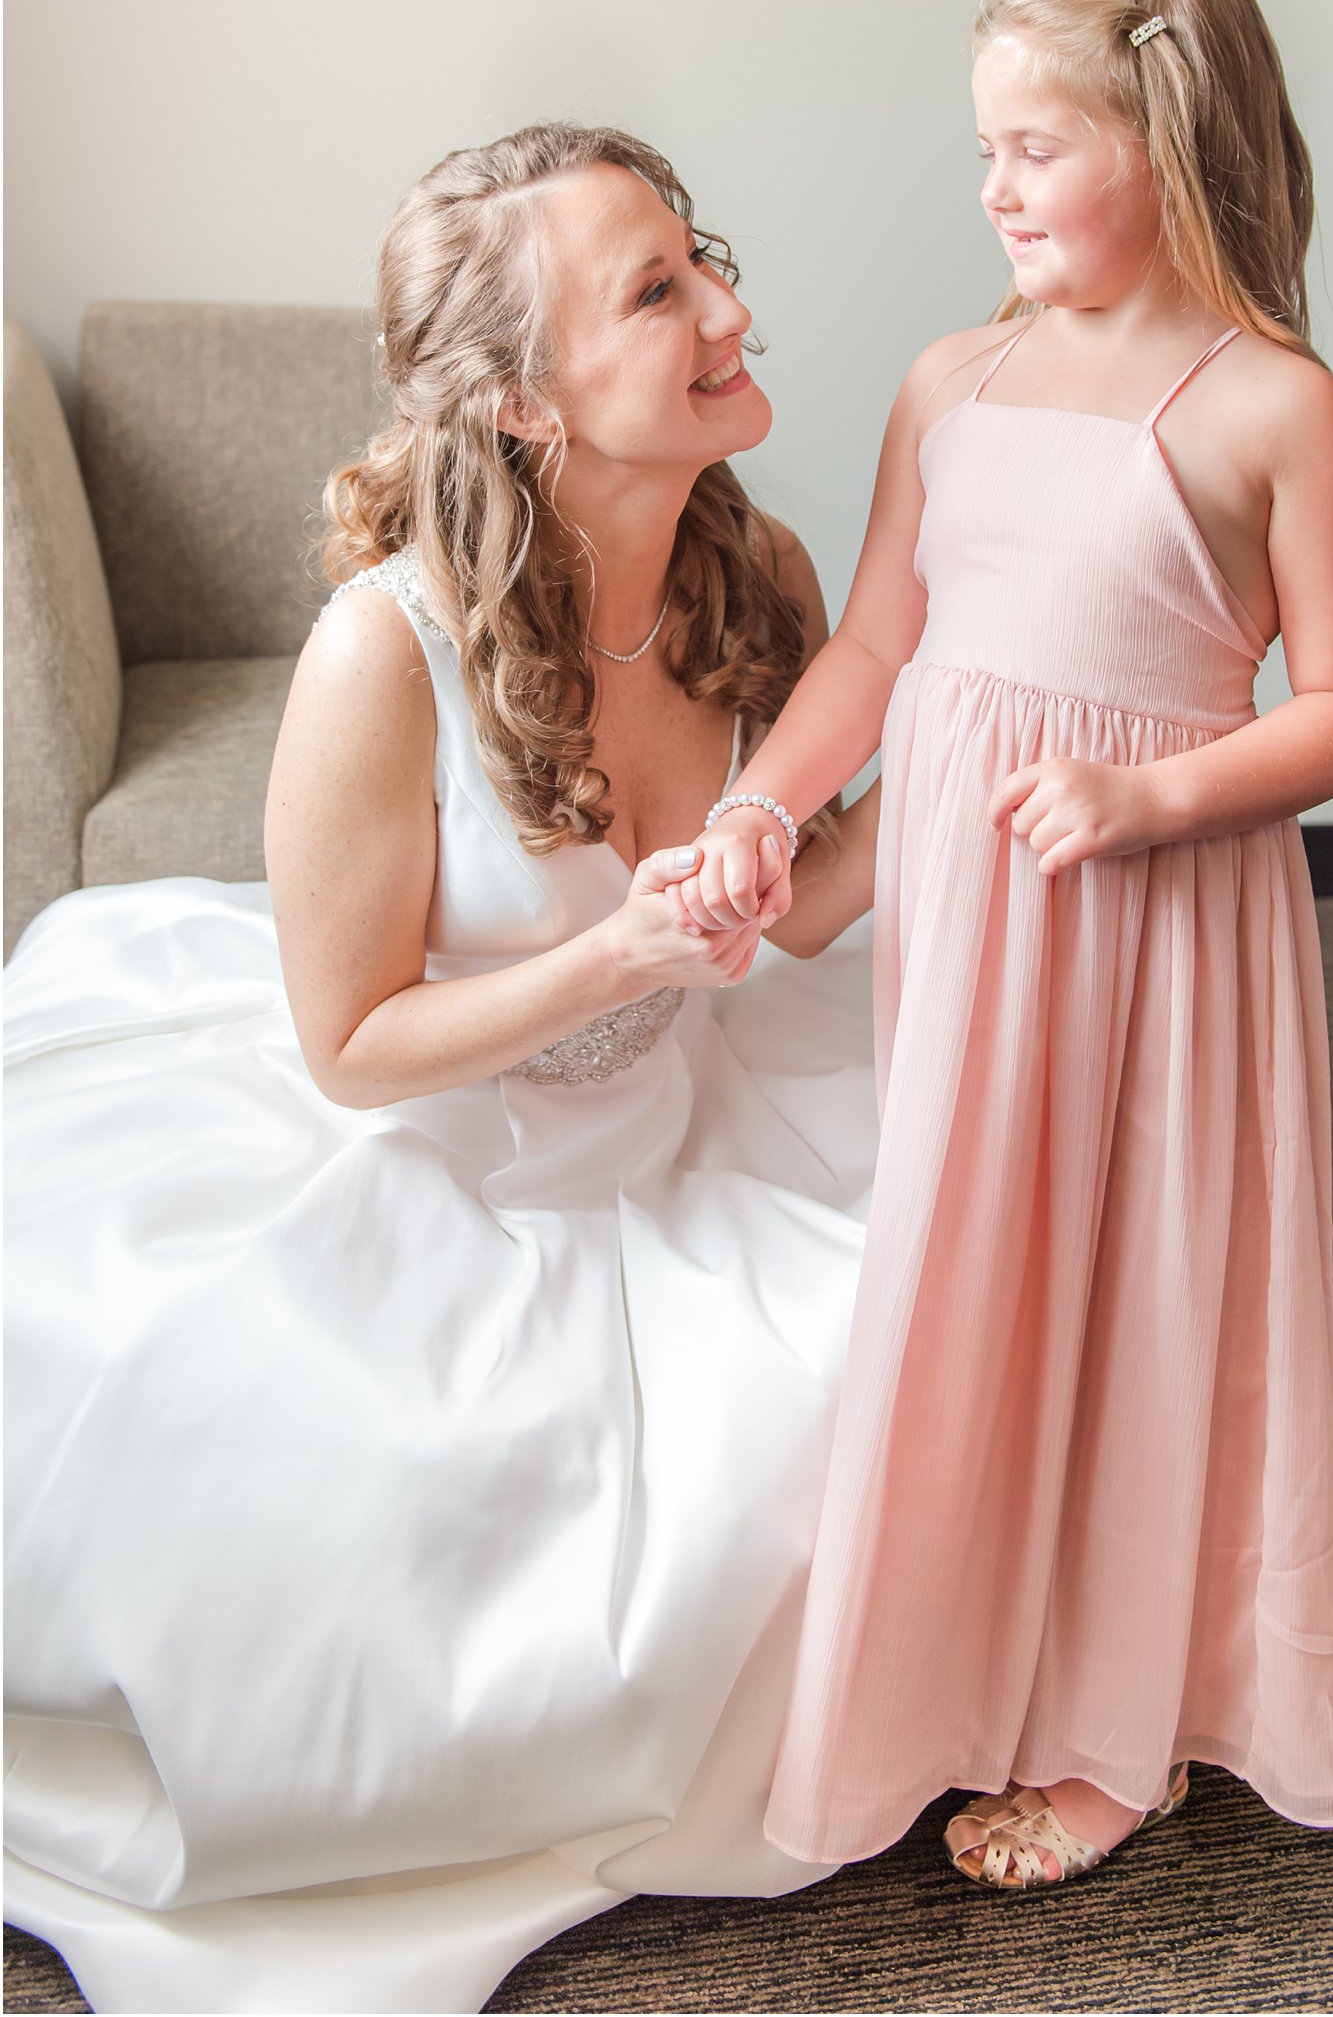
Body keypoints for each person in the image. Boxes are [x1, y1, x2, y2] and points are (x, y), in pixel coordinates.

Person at [3, 123, 879, 2014]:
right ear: (520, 400)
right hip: (439, 1152)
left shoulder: (763, 572)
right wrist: (619, 949)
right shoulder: (377, 654)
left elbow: (802, 901)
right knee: (364, 1524)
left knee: (924, 1341)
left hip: (697, 1120)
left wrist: (1013, 722)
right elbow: (352, 1045)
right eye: (654, 290)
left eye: (700, 250)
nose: (729, 304)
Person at [676, 0, 1333, 1890]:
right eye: (980, 147)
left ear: (1161, 146)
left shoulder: (1270, 410)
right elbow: (880, 645)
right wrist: (765, 803)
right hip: (970, 913)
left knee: (1142, 1297)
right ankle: (951, 1664)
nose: (990, 187)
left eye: (1030, 145)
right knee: (979, 1281)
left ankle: (1120, 1725)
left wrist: (1147, 792)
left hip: (1152, 924)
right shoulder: (956, 376)